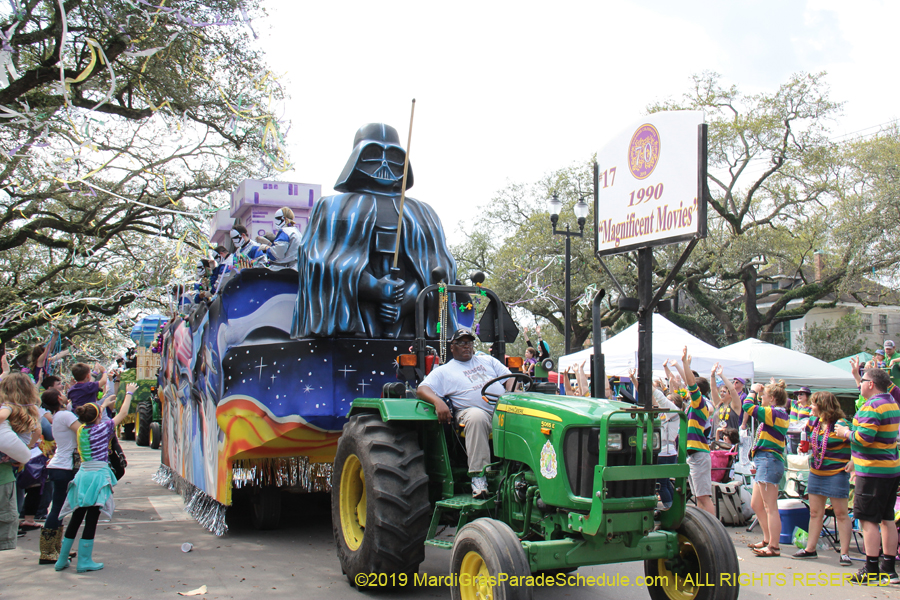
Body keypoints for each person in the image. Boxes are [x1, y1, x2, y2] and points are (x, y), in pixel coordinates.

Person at [292, 123, 457, 340]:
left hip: (409, 325)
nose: (384, 165)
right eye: (373, 155)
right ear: (356, 158)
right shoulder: (333, 207)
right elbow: (319, 262)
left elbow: (439, 267)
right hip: (356, 322)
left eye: (394, 157)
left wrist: (408, 300)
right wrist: (375, 287)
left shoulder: (423, 212)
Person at [416, 328, 511, 498]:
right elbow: (422, 389)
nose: (466, 346)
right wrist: (438, 402)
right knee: (477, 416)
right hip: (467, 414)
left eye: (469, 342)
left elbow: (510, 378)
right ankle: (479, 477)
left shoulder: (487, 361)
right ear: (452, 347)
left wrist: (512, 394)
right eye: (461, 343)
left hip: (501, 411)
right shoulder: (444, 371)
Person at [55, 383, 136, 573]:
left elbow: (91, 414)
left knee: (76, 517)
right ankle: (84, 561)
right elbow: (122, 414)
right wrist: (129, 393)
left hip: (82, 476)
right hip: (98, 477)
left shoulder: (82, 429)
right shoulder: (104, 429)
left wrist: (103, 404)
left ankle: (61, 560)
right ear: (100, 417)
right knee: (91, 518)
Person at [835, 367, 900, 585]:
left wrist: (846, 433)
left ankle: (871, 568)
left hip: (872, 471)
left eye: (862, 381)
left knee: (868, 521)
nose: (860, 384)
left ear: (871, 384)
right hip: (890, 469)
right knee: (887, 519)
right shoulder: (890, 401)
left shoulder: (872, 406)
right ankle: (889, 569)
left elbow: (864, 438)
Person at [791, 392, 853, 565]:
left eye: (813, 404)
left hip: (836, 473)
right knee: (815, 512)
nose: (811, 407)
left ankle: (845, 553)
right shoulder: (814, 423)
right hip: (817, 472)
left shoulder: (840, 424)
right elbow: (817, 443)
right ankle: (810, 549)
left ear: (823, 405)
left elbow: (856, 441)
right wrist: (808, 446)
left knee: (841, 514)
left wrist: (854, 461)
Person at [734, 377, 789, 558]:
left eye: (763, 395)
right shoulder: (774, 412)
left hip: (770, 460)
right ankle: (767, 539)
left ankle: (774, 546)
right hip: (763, 460)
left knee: (770, 506)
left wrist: (752, 391)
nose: (760, 397)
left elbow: (748, 407)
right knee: (757, 504)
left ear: (772, 399)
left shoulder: (776, 413)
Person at [671, 348, 716, 515]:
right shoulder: (693, 405)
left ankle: (712, 529)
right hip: (693, 453)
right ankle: (704, 527)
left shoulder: (700, 404)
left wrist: (684, 364)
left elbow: (690, 384)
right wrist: (682, 365)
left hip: (699, 453)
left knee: (704, 497)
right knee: (699, 496)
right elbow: (685, 384)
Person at [38, 389, 81, 565]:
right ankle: (48, 551)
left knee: (60, 508)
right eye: (62, 392)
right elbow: (83, 431)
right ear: (58, 398)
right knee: (57, 508)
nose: (65, 393)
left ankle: (57, 548)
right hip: (63, 466)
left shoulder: (60, 415)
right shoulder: (65, 415)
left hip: (61, 465)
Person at [787, 386, 812, 453]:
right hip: (791, 436)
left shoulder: (810, 408)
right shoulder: (794, 404)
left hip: (803, 437)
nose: (799, 396)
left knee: (801, 458)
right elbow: (780, 398)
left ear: (807, 396)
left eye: (801, 394)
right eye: (798, 394)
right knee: (791, 457)